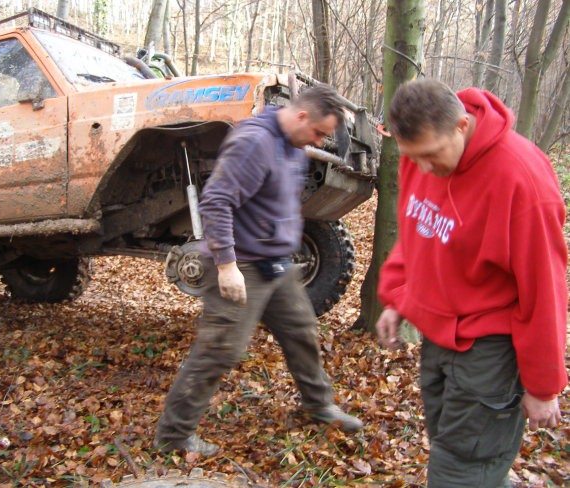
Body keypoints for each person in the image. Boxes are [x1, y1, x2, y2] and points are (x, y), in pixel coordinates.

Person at [375, 79, 567, 487]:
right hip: (438, 337)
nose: (422, 168)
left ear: (462, 125)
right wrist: (397, 296)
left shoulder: (521, 181)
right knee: (454, 448)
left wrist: (543, 384)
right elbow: (417, 231)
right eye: (412, 157)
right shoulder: (419, 153)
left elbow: (545, 289)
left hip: (490, 347)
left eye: (430, 155)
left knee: (462, 466)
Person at [154, 84, 363, 456]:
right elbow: (216, 202)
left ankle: (319, 406)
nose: (319, 140)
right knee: (219, 350)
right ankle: (173, 437)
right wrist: (228, 265)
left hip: (278, 266)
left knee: (301, 333)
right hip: (244, 266)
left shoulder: (294, 147)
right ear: (301, 116)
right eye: (318, 132)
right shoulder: (254, 142)